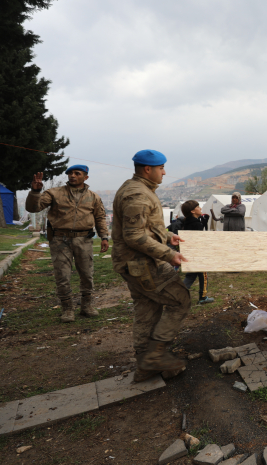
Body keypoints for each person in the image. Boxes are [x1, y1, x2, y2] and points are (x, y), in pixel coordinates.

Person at [112, 149, 191, 382]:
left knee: (147, 309)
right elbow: (134, 236)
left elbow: (147, 228)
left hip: (136, 264)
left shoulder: (140, 189)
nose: (164, 172)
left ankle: (145, 364)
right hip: (143, 264)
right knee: (180, 300)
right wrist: (169, 254)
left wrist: (167, 237)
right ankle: (154, 357)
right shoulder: (137, 194)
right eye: (161, 168)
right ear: (148, 169)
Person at [25, 165, 109, 323]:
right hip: (60, 240)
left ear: (86, 177)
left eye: (77, 173)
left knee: (87, 274)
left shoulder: (93, 197)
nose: (72, 176)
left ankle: (87, 306)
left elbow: (100, 218)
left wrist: (104, 236)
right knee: (62, 275)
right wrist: (35, 192)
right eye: (70, 173)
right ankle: (67, 309)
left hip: (84, 239)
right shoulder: (54, 193)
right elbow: (33, 208)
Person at [180, 200, 214, 305]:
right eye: (198, 206)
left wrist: (202, 222)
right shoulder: (196, 224)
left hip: (189, 253)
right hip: (197, 254)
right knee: (203, 275)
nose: (200, 208)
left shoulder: (187, 222)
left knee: (190, 276)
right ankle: (202, 297)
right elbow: (200, 238)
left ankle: (178, 295)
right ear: (192, 211)